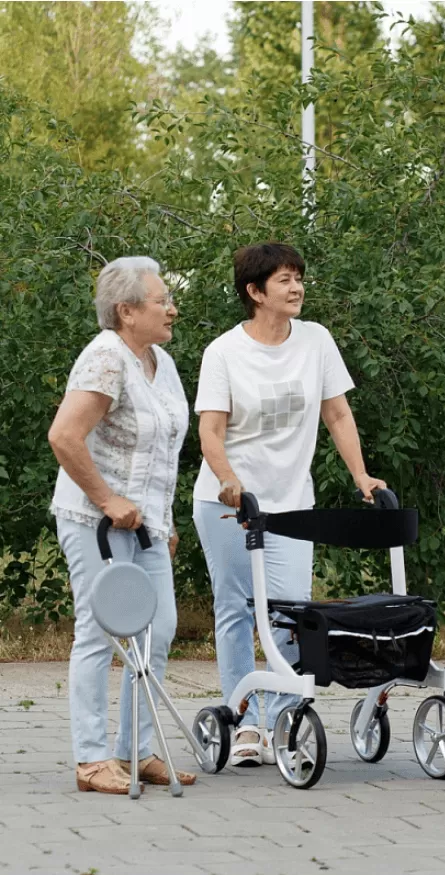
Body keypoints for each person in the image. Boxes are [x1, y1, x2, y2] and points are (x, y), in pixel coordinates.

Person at [193, 242, 386, 766]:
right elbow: (210, 431)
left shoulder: (316, 340)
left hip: (293, 504)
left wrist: (361, 476)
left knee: (291, 614)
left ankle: (283, 721)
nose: (297, 287)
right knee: (236, 610)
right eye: (284, 279)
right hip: (230, 503)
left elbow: (337, 414)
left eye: (298, 277)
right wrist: (228, 478)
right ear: (255, 292)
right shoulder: (223, 352)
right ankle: (244, 722)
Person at [48, 257, 195, 794]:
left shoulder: (161, 361)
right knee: (99, 630)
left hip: (147, 524)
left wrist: (166, 521)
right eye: (162, 301)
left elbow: (162, 451)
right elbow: (64, 436)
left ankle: (136, 749)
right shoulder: (106, 357)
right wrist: (107, 499)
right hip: (95, 519)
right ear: (126, 311)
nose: (172, 309)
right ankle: (90, 760)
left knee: (159, 628)